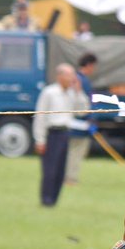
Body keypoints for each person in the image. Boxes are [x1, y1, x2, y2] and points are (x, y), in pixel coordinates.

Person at [32, 64, 88, 207]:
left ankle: (54, 200)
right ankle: (46, 200)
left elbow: (82, 111)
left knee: (61, 170)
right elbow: (40, 116)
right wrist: (40, 139)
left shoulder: (71, 93)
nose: (72, 79)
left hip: (65, 133)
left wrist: (78, 91)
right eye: (69, 75)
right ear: (60, 76)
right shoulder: (49, 92)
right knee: (50, 170)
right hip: (52, 133)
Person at [66, 52, 98, 186]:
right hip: (79, 123)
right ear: (89, 65)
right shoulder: (81, 80)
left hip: (77, 122)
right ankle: (70, 179)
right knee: (75, 152)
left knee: (74, 152)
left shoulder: (77, 78)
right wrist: (89, 120)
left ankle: (70, 178)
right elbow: (81, 104)